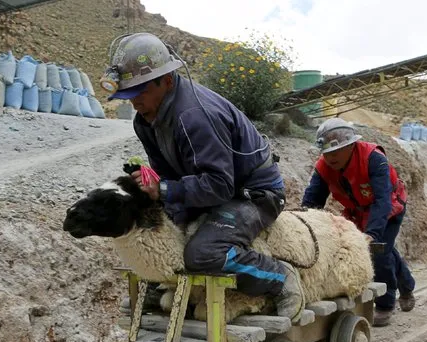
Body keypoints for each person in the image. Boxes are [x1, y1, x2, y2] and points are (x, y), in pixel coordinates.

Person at [100, 32, 304, 321]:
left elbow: (220, 186)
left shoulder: (196, 116)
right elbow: (165, 173)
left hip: (251, 194)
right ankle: (167, 278)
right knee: (158, 228)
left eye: (140, 92)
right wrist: (155, 190)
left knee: (204, 254)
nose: (134, 102)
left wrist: (166, 190)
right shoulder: (145, 120)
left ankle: (279, 278)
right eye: (129, 94)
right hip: (207, 188)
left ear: (167, 81)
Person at [301, 118, 416, 326]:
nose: (331, 157)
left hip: (389, 207)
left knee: (378, 251)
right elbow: (313, 199)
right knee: (386, 249)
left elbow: (382, 200)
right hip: (358, 212)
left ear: (351, 146)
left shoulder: (374, 158)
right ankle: (407, 285)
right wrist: (304, 223)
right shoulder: (323, 167)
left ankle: (385, 304)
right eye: (326, 153)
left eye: (336, 152)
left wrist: (372, 234)